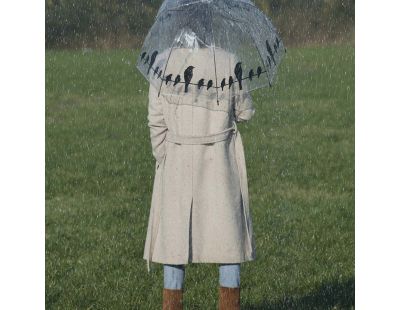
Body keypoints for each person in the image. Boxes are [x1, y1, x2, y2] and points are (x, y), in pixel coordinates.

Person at [143, 46, 256, 310]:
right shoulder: (229, 61)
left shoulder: (162, 62)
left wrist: (167, 158)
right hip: (219, 165)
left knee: (174, 247)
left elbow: (155, 121)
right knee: (228, 247)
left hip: (177, 162)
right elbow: (246, 112)